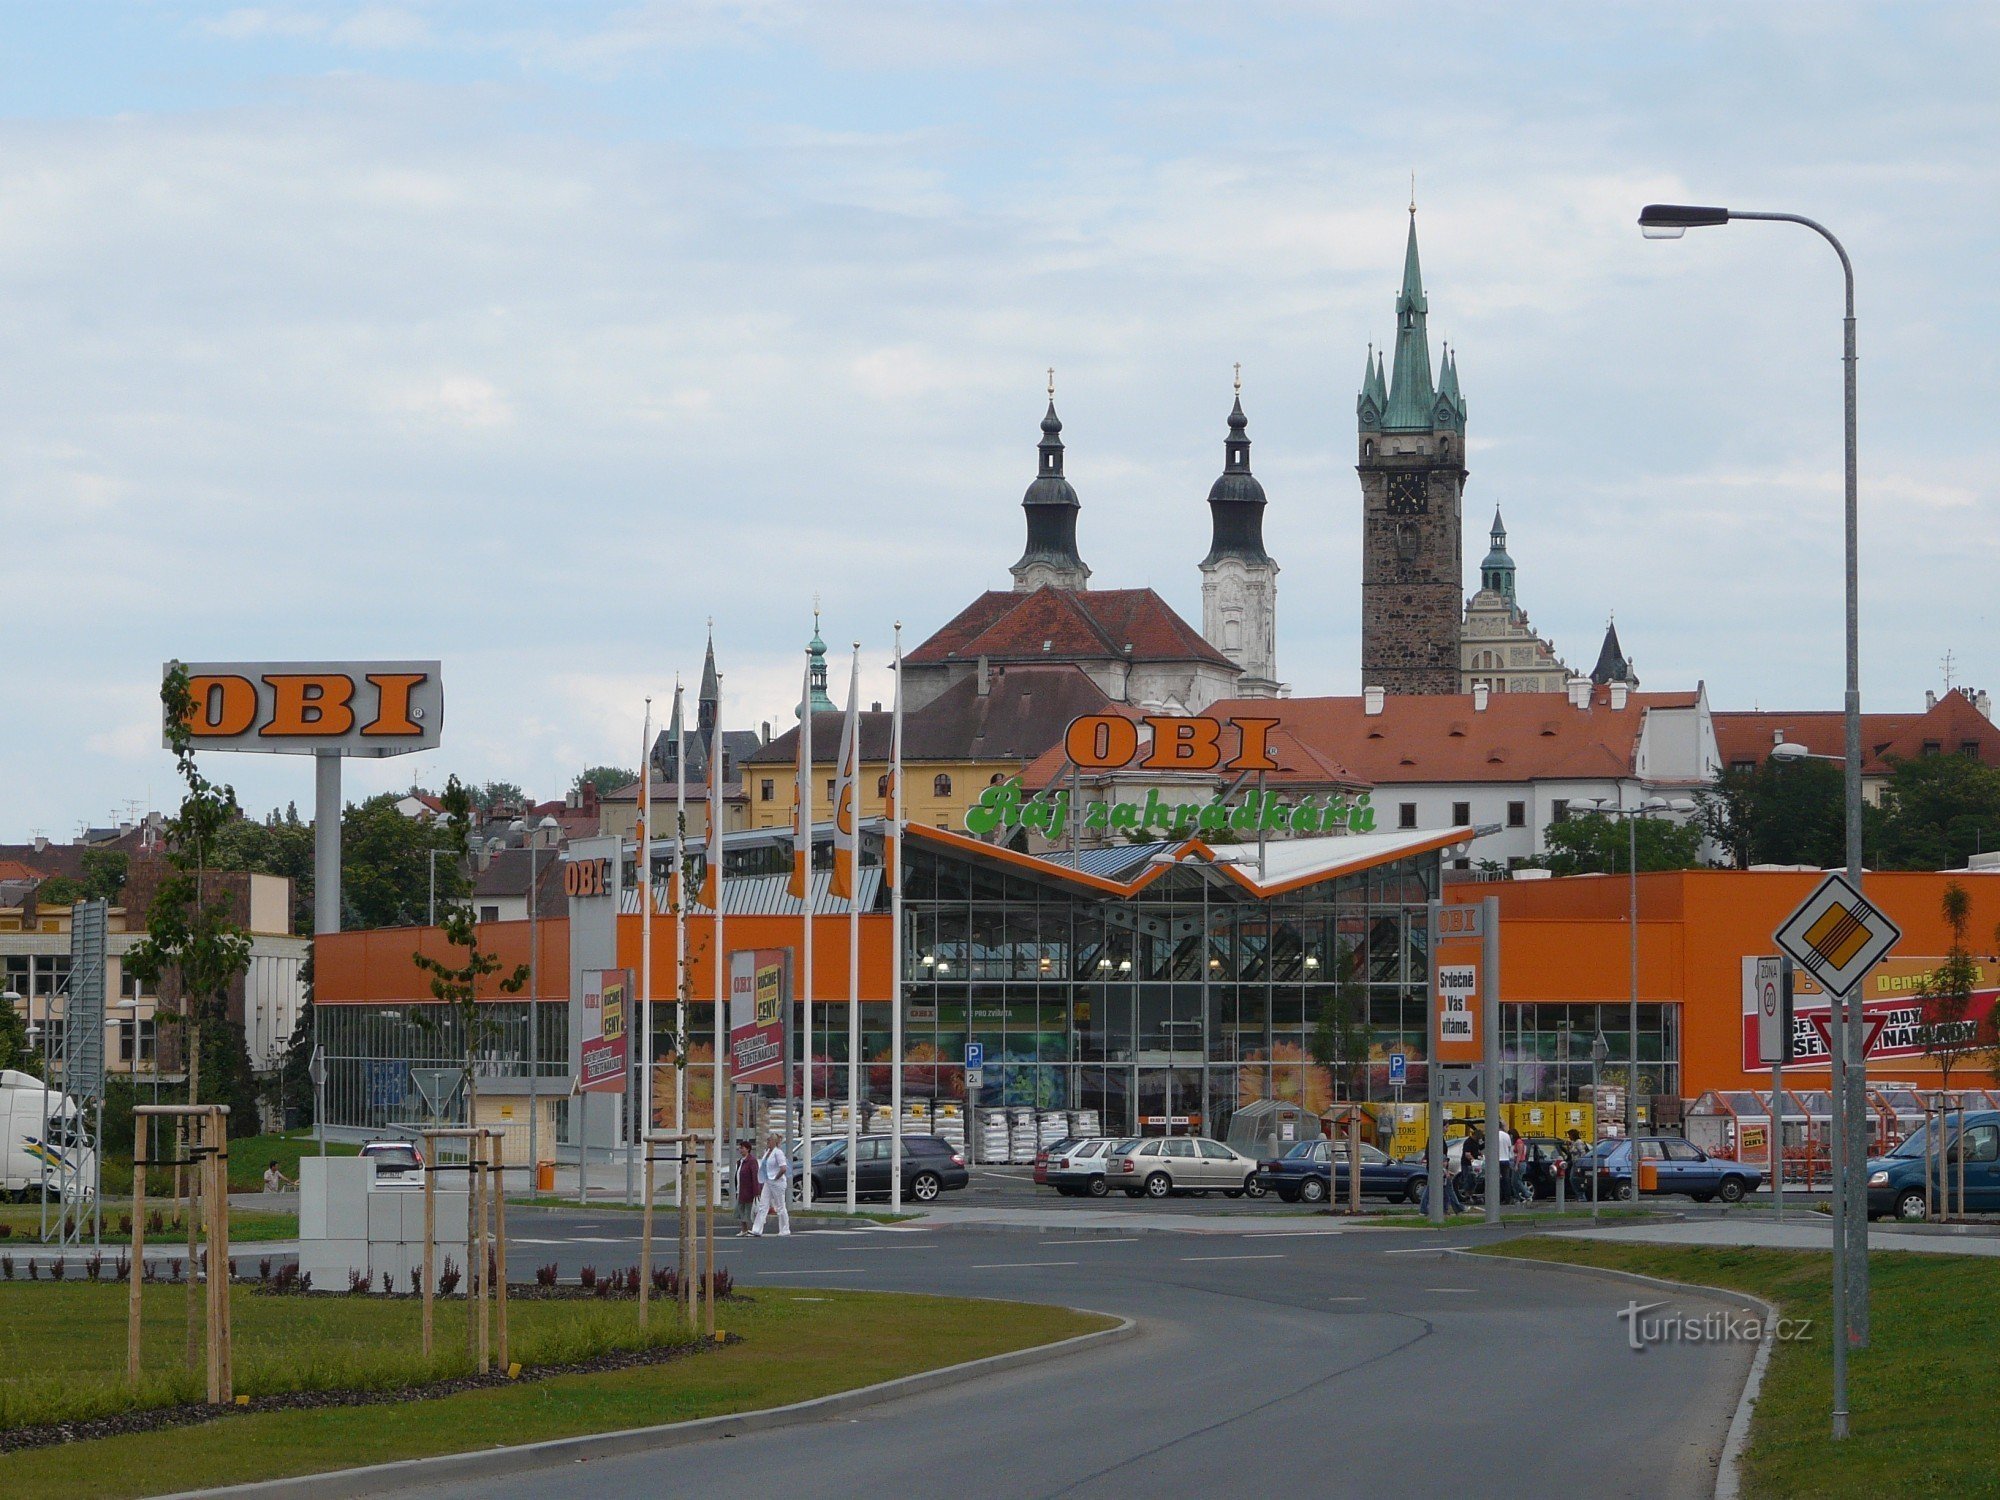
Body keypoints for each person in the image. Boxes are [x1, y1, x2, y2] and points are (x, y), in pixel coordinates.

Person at [750, 1132, 792, 1237]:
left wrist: (776, 1177)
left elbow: (783, 1168)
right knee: (763, 1205)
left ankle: (785, 1229)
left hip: (777, 1182)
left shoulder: (778, 1153)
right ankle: (757, 1229)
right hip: (768, 1181)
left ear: (774, 1141)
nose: (767, 1142)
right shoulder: (767, 1152)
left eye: (769, 1140)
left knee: (780, 1206)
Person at [734, 1140, 760, 1236]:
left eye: (742, 1148)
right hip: (740, 1189)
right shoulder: (740, 1161)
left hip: (748, 1190)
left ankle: (755, 1229)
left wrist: (756, 1191)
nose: (740, 1150)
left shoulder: (752, 1161)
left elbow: (754, 1176)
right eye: (740, 1148)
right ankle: (744, 1229)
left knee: (749, 1211)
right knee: (740, 1209)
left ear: (748, 1149)